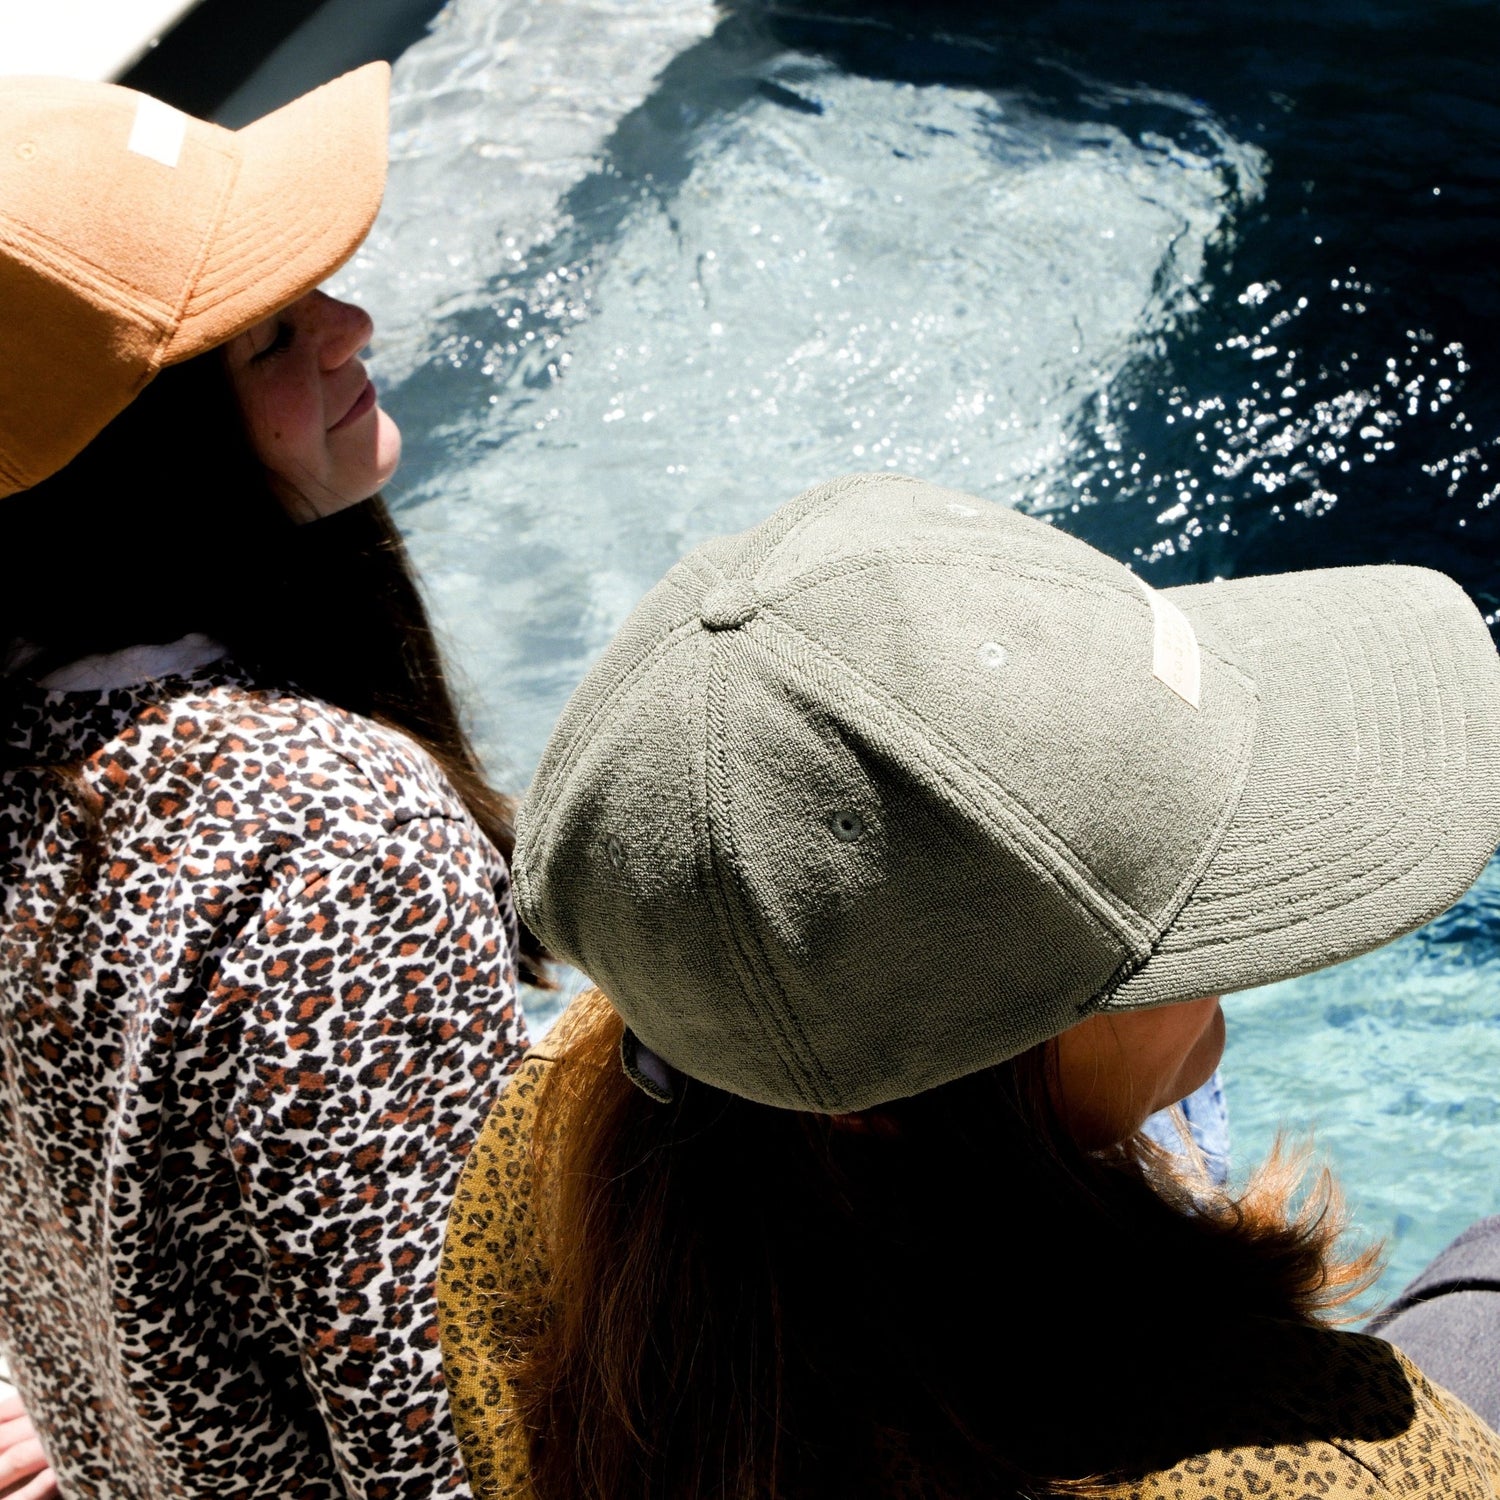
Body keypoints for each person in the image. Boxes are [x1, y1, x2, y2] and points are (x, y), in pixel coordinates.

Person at [439, 472, 1500, 1500]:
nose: (1251, 959)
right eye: (1200, 910)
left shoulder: (557, 1154)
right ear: (906, 1098)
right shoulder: (1349, 1462)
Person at [0, 67, 533, 1499]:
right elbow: (449, 1438)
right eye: (273, 337)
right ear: (147, 470)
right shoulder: (333, 844)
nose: (354, 326)